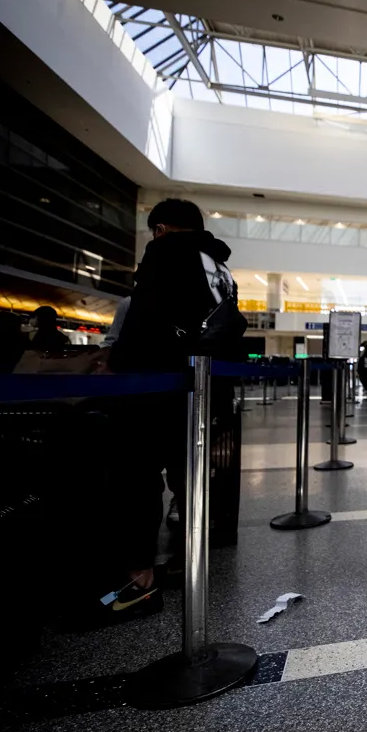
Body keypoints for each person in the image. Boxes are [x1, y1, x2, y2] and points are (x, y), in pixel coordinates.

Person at [108, 198, 244, 615]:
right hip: (207, 392)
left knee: (138, 478)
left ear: (162, 229)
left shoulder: (165, 252)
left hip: (160, 389)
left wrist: (118, 370)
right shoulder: (220, 266)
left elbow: (144, 323)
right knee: (192, 478)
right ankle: (191, 562)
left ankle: (139, 579)